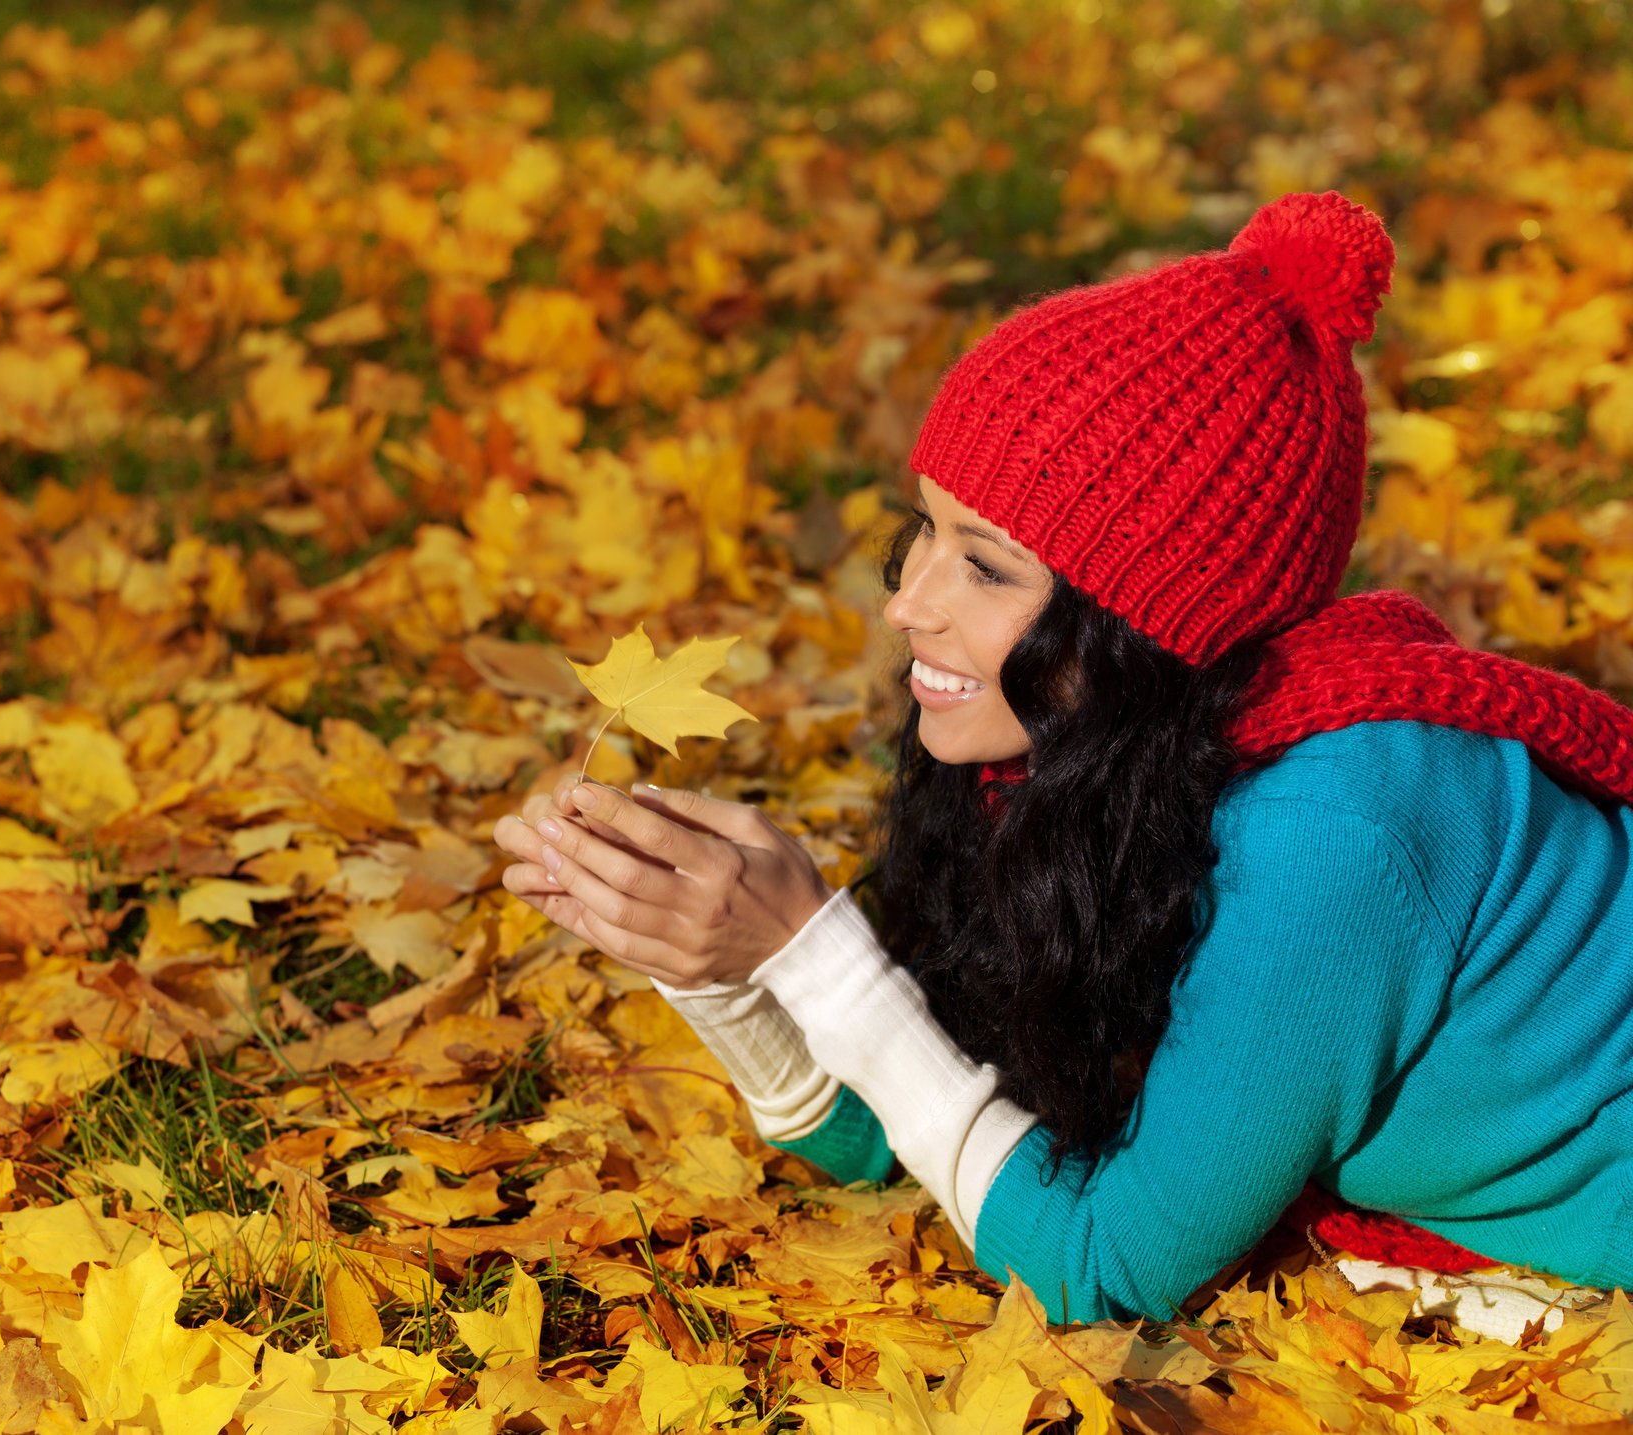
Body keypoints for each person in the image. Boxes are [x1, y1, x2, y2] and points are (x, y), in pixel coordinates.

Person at [491, 190, 1633, 1325]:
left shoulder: (1328, 831)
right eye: (924, 530)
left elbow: (1104, 1264)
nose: (907, 604)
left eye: (984, 568)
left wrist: (818, 949)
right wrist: (713, 963)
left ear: (1146, 625)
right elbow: (932, 1136)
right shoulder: (1107, 760)